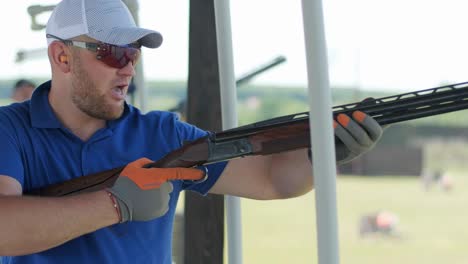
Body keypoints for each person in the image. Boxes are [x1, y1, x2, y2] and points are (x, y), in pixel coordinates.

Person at [0, 0, 384, 263]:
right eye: (113, 53)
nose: (128, 67)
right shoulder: (9, 130)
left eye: (133, 53)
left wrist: (322, 152)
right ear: (62, 56)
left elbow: (272, 180)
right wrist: (116, 205)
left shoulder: (163, 135)